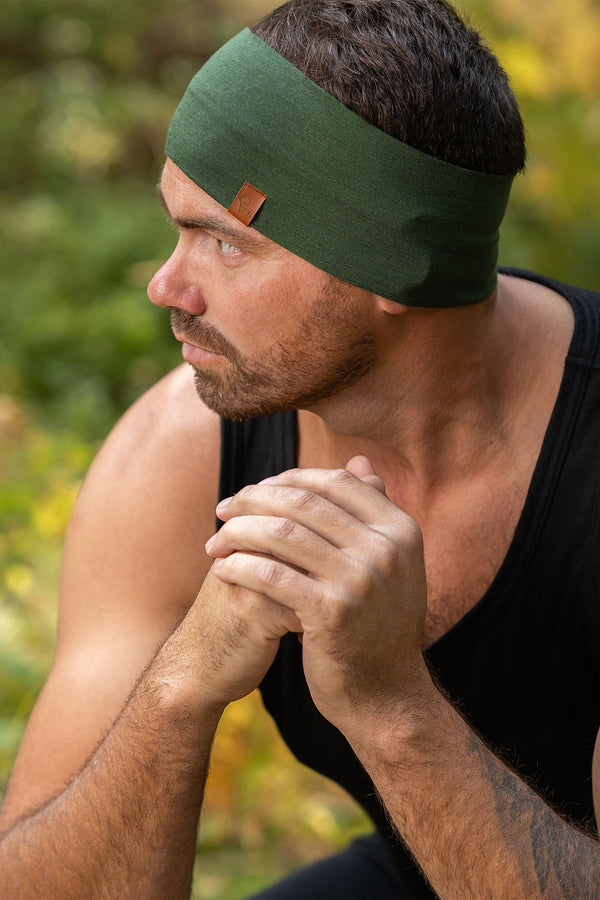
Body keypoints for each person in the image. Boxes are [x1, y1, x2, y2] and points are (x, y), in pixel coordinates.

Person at [1, 0, 600, 896]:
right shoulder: (182, 452)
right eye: (177, 225)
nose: (169, 285)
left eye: (225, 243)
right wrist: (180, 687)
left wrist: (391, 707)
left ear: (398, 264)